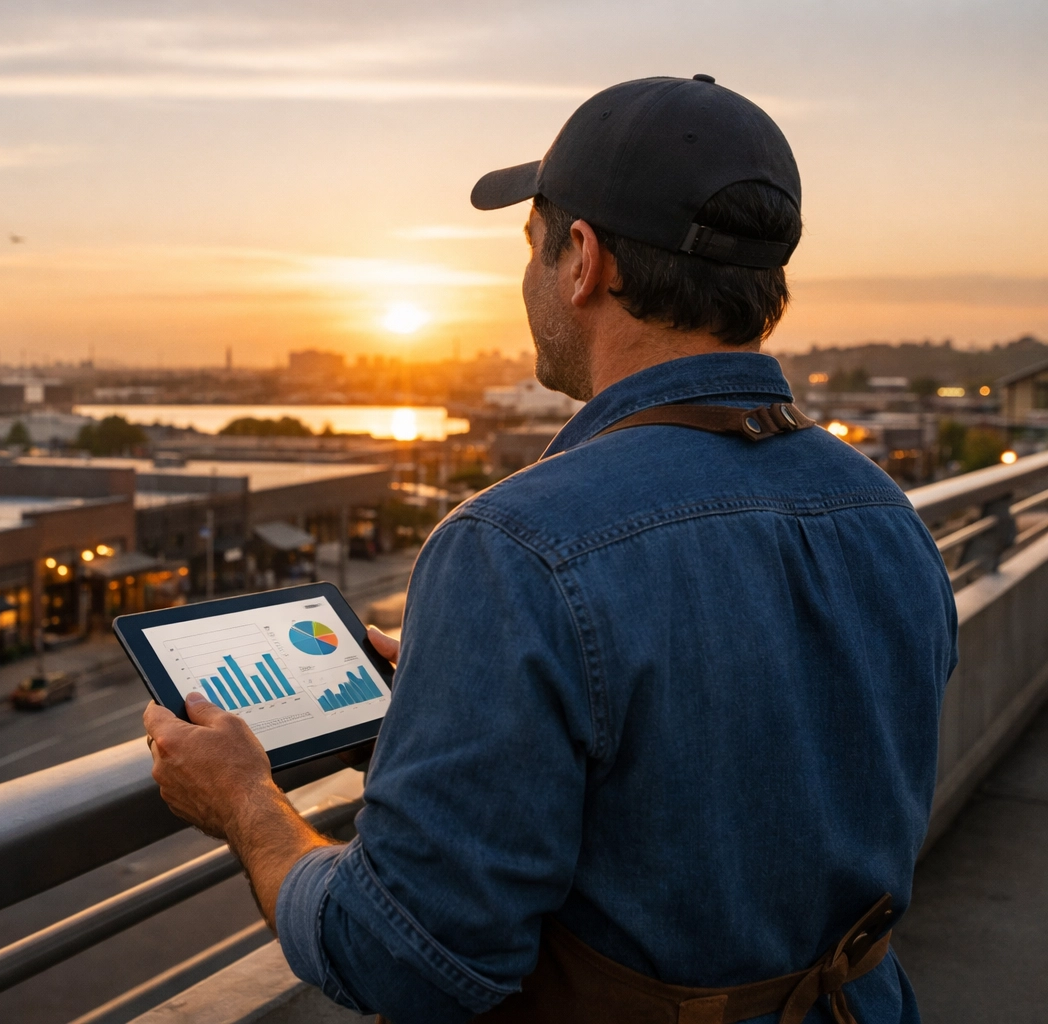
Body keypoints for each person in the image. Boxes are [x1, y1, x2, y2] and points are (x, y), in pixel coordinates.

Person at [144, 75, 956, 1024]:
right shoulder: (881, 511)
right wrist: (471, 707)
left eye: (530, 244)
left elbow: (409, 955)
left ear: (581, 260)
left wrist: (245, 805)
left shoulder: (517, 548)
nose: (524, 280)